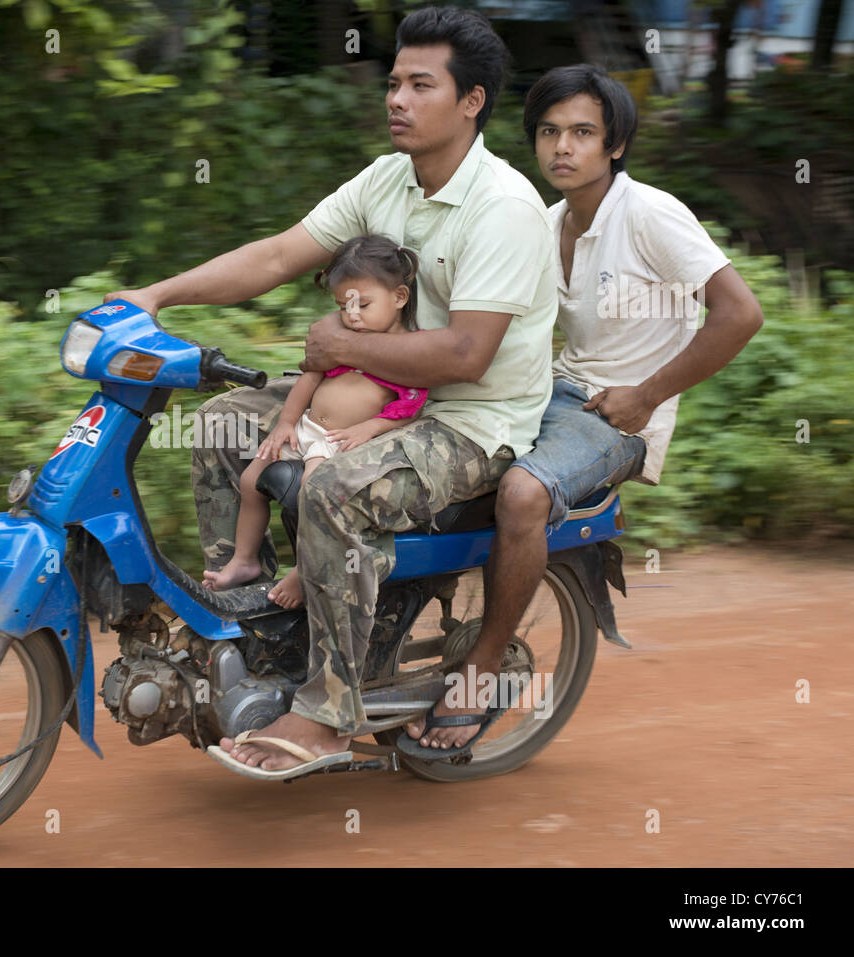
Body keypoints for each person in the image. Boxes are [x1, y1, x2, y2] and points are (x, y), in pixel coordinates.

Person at [107, 6, 559, 777]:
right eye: (393, 83)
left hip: (470, 418)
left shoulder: (505, 208)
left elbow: (467, 353)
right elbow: (279, 253)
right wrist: (151, 297)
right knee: (220, 426)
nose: (397, 100)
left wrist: (343, 344)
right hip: (371, 390)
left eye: (421, 85)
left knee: (333, 491)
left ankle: (329, 709)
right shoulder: (389, 179)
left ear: (472, 100)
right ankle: (255, 626)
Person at [401, 64, 765, 757]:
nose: (562, 147)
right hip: (551, 391)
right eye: (548, 132)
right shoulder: (543, 221)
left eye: (582, 132)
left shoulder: (650, 213)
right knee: (421, 450)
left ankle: (483, 670)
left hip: (616, 415)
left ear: (615, 143)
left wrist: (647, 394)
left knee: (522, 491)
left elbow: (740, 313)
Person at [202, 235, 428, 608]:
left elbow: (410, 406)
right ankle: (244, 560)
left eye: (363, 305)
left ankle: (303, 571)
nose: (352, 315)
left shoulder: (405, 353)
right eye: (343, 306)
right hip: (307, 429)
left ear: (400, 297)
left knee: (313, 488)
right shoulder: (350, 338)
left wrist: (369, 428)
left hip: (339, 441)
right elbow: (311, 377)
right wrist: (286, 424)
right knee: (249, 479)